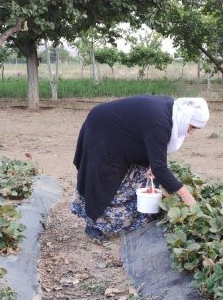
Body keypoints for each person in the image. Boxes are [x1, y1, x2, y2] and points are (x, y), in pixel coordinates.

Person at [71, 95, 210, 239]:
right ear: (186, 118)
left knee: (145, 176)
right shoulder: (160, 120)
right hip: (101, 131)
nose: (191, 132)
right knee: (103, 181)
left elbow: (154, 143)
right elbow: (160, 167)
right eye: (192, 126)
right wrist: (187, 196)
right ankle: (93, 224)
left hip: (123, 136)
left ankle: (133, 219)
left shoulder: (172, 112)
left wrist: (152, 163)